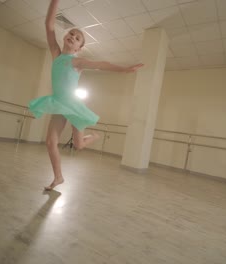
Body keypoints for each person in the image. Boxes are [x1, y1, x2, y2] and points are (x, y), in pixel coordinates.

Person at [29, 0, 143, 191]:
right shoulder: (56, 54)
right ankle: (58, 178)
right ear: (66, 37)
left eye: (77, 38)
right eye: (71, 34)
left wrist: (123, 70)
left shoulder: (77, 62)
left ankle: (95, 135)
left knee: (79, 145)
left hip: (72, 105)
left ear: (79, 47)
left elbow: (101, 64)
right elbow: (49, 26)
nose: (73, 36)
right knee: (50, 142)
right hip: (58, 103)